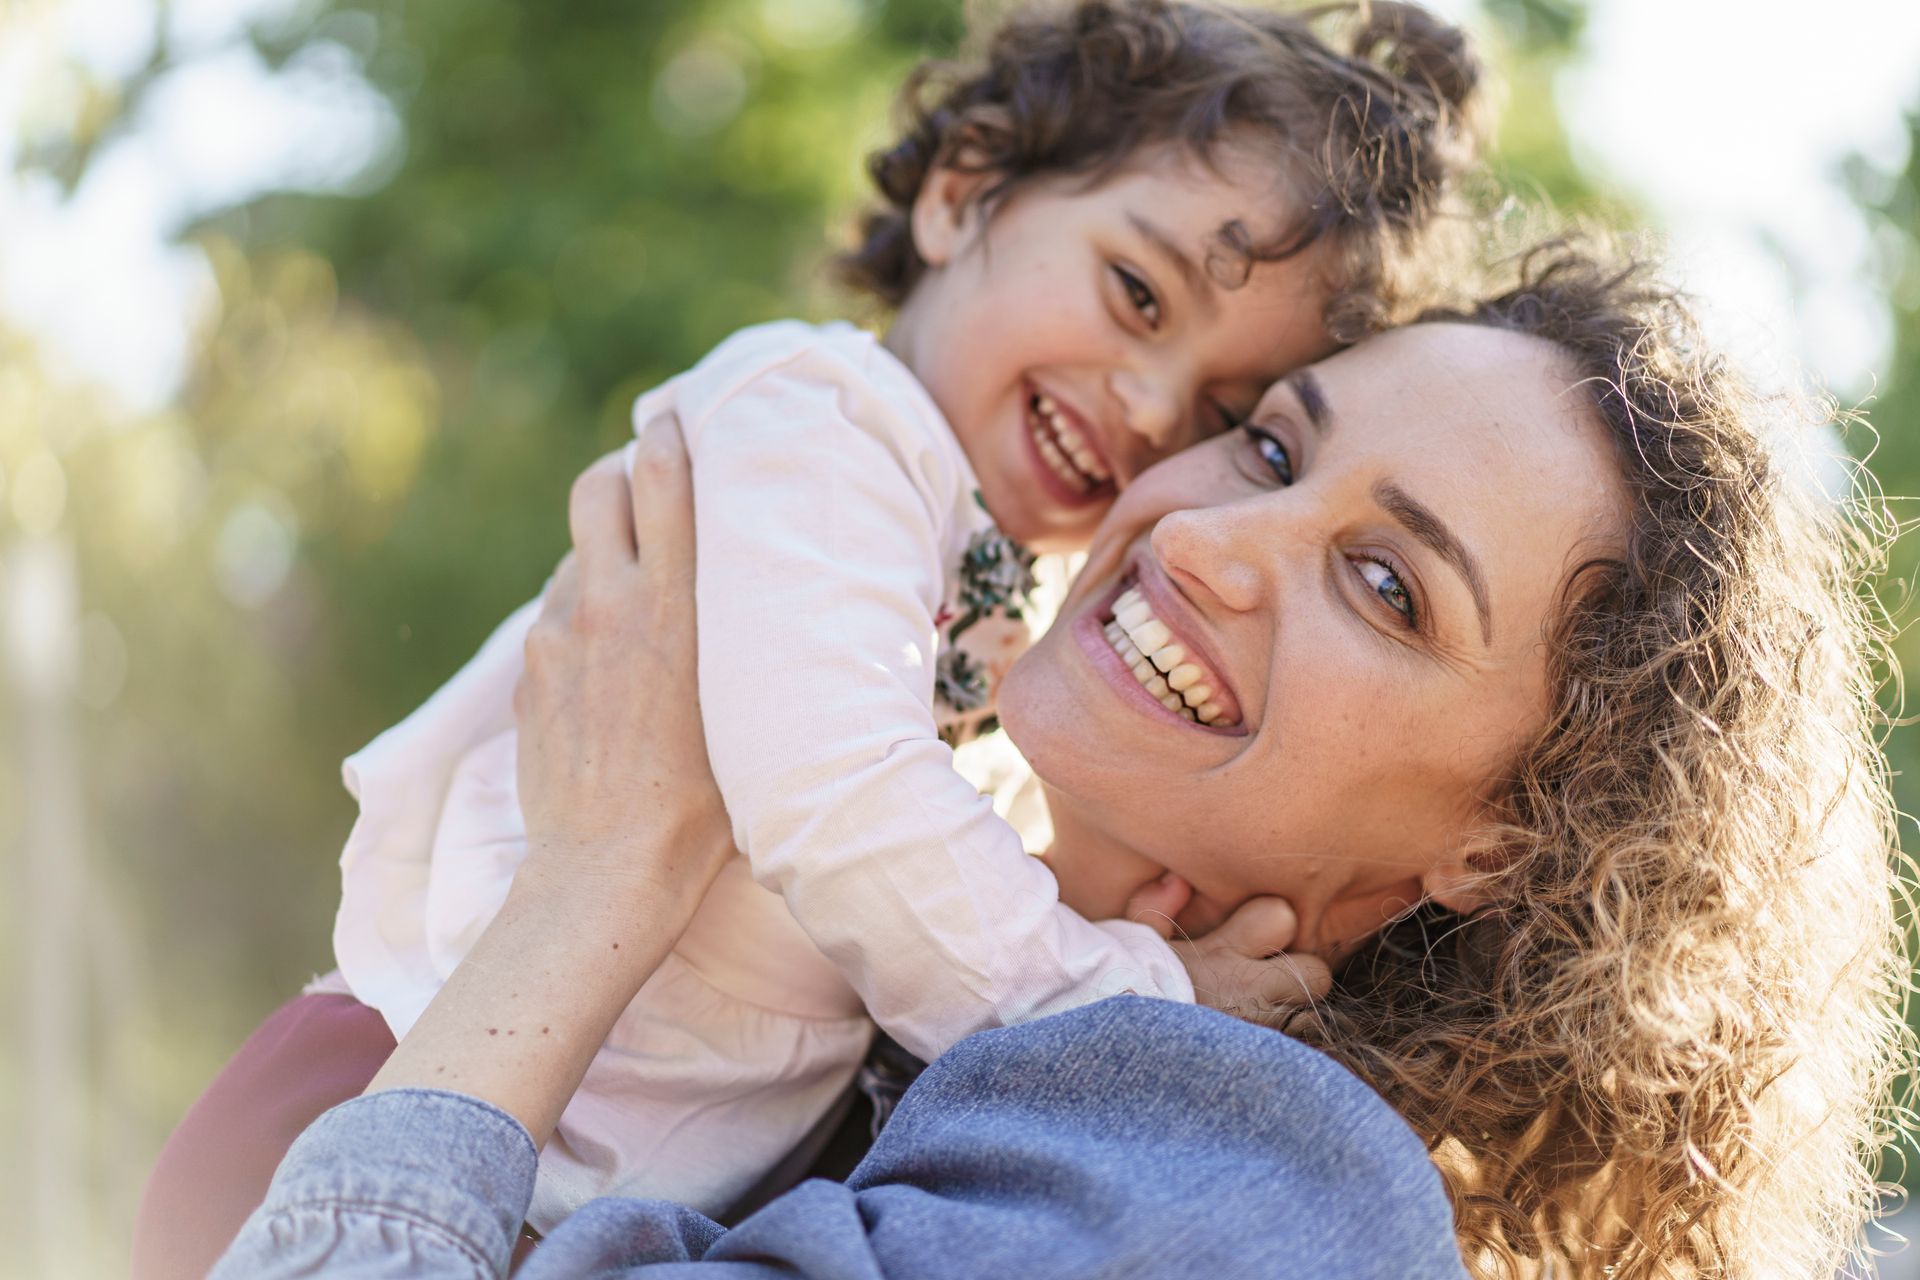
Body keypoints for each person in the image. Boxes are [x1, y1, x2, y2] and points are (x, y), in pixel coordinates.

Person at [211, 241, 1912, 1278]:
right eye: (1265, 445)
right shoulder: (967, 1023)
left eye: (1386, 586)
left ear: (1511, 845)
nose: (1214, 543)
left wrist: (594, 881)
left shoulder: (1265, 1203)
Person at [134, 1, 1487, 1267]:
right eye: (1138, 293)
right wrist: (1134, 1001)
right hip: (389, 1096)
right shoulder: (825, 424)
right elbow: (834, 800)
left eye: (1219, 408)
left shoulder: (993, 575)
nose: (1145, 403)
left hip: (561, 1175)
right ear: (965, 193)